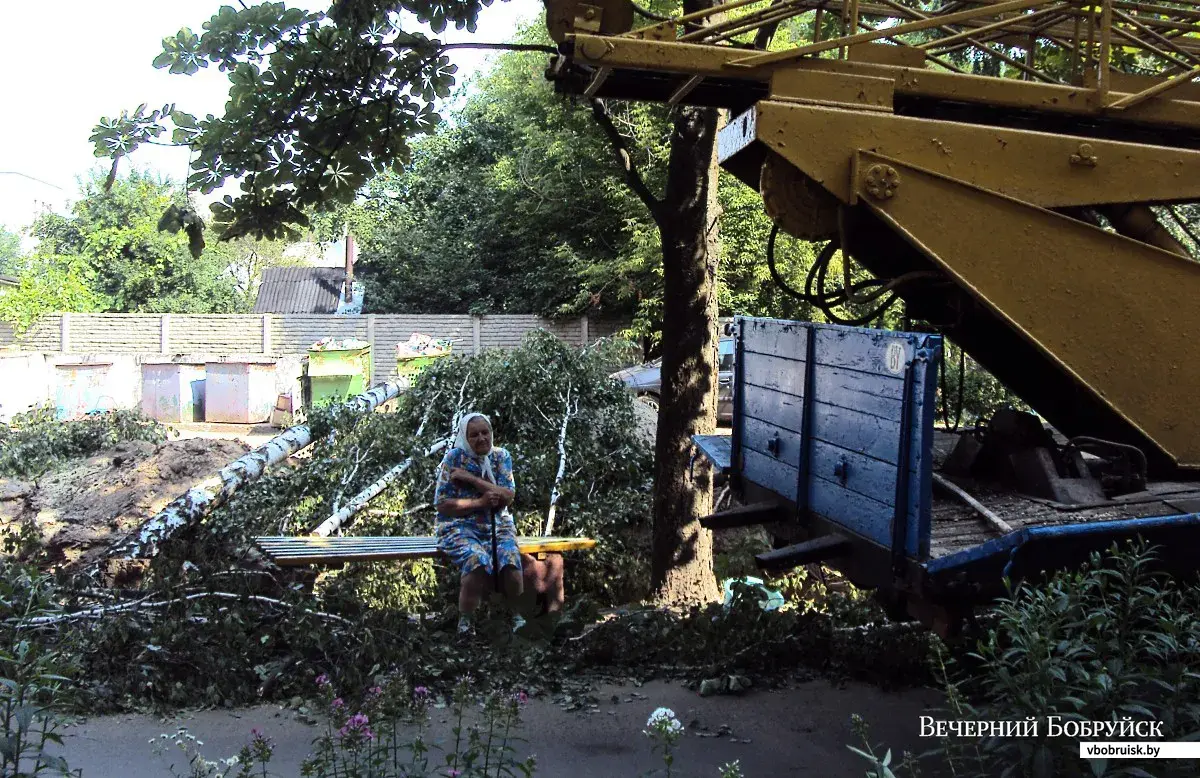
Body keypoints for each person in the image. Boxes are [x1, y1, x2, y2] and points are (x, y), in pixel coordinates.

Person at [435, 412, 524, 634]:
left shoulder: (501, 457)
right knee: (478, 561)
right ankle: (465, 623)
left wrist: (472, 479)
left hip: (497, 524)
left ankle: (516, 616)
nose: (481, 438)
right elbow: (443, 504)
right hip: (458, 526)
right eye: (474, 435)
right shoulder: (454, 459)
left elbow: (508, 496)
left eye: (485, 432)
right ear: (465, 438)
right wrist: (479, 502)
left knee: (511, 560)